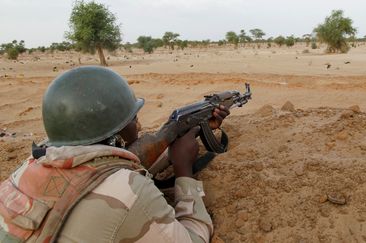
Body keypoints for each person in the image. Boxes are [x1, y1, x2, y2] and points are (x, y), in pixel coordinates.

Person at [0, 66, 229, 243]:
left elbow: (110, 164)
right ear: (116, 133)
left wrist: (172, 138)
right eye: (132, 118)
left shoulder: (29, 166)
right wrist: (184, 170)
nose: (138, 124)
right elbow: (194, 238)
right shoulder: (129, 192)